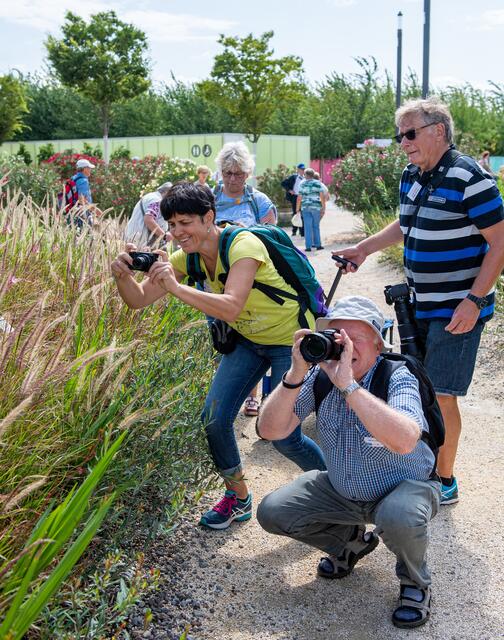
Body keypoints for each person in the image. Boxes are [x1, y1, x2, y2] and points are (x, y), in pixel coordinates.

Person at [111, 182, 325, 530]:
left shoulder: (243, 244)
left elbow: (231, 304)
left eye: (185, 222)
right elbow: (137, 300)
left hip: (291, 341)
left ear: (209, 217)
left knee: (283, 434)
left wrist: (176, 288)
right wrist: (121, 275)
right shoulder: (186, 258)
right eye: (172, 224)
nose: (177, 232)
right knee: (213, 418)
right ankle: (238, 497)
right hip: (248, 340)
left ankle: (337, 490)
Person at [337, 98, 504, 505]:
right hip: (420, 305)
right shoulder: (413, 174)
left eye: (410, 134)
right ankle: (424, 465)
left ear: (439, 131)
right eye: (400, 136)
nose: (403, 143)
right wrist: (364, 248)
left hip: (457, 308)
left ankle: (443, 478)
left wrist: (473, 299)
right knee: (421, 387)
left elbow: (500, 241)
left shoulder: (471, 177)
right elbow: (406, 223)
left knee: (442, 392)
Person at [257, 296, 441, 629]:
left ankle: (415, 583)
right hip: (343, 489)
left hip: (405, 488)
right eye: (337, 336)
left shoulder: (397, 375)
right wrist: (296, 372)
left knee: (399, 516)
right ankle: (352, 543)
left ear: (378, 344)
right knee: (273, 511)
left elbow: (403, 440)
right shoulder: (320, 376)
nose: (344, 347)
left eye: (355, 338)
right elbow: (271, 429)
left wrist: (349, 386)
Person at [214, 141, 277, 416]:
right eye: (228, 173)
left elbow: (276, 240)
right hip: (215, 280)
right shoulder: (209, 199)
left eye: (239, 174)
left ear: (247, 174)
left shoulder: (259, 201)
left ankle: (253, 395)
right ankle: (223, 396)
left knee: (250, 337)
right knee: (220, 339)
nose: (233, 179)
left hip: (253, 282)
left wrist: (247, 232)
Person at [125, 182, 173, 248]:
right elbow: (148, 219)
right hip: (141, 240)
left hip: (135, 237)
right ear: (167, 192)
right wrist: (164, 236)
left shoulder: (150, 197)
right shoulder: (156, 200)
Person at [296, 167, 326, 252]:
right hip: (316, 207)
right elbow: (322, 195)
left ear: (305, 175)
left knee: (307, 227)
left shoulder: (302, 184)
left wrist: (297, 209)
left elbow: (299, 197)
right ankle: (318, 245)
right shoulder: (318, 183)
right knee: (316, 226)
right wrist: (323, 207)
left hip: (305, 207)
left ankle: (308, 246)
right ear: (313, 175)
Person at [69, 158, 102, 227]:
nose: (90, 170)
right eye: (89, 168)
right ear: (84, 169)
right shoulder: (83, 181)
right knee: (85, 235)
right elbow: (81, 200)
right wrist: (96, 210)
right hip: (82, 214)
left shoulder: (73, 178)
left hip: (72, 212)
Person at [281, 163, 305, 236]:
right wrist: (289, 190)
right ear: (298, 170)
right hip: (295, 197)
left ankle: (302, 232)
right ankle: (294, 231)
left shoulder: (306, 178)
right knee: (296, 213)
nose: (302, 171)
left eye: (303, 169)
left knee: (302, 214)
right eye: (301, 169)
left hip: (303, 198)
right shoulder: (293, 177)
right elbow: (283, 183)